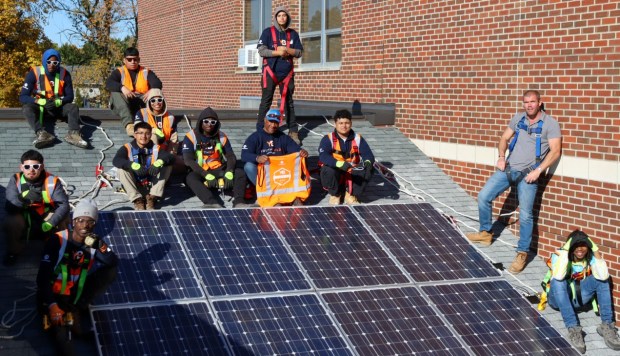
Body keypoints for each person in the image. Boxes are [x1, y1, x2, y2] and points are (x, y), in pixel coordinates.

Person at [466, 90, 562, 274]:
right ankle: (486, 233)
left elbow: (555, 151)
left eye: (533, 102)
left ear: (540, 103)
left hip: (529, 175)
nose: (529, 105)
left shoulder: (550, 124)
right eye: (526, 102)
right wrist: (501, 156)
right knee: (483, 196)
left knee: (526, 215)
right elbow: (504, 138)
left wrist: (538, 171)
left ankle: (522, 253)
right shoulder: (518, 118)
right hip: (509, 169)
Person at [36, 198, 118, 356]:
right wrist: (52, 305)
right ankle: (63, 319)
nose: (85, 226)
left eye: (90, 222)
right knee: (62, 339)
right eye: (81, 220)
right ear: (74, 222)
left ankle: (77, 309)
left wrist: (100, 245)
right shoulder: (58, 240)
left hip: (74, 295)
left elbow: (112, 262)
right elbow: (42, 278)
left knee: (110, 272)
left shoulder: (93, 242)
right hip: (53, 296)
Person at [545, 230, 620, 354]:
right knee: (557, 281)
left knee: (602, 279)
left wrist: (595, 249)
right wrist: (566, 250)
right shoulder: (559, 255)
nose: (580, 249)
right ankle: (574, 328)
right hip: (557, 299)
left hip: (578, 299)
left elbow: (603, 276)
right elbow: (558, 276)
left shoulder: (590, 257)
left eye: (583, 245)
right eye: (575, 245)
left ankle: (607, 325)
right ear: (570, 246)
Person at [3, 150, 70, 266]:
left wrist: (51, 222)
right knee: (10, 221)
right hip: (24, 216)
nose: (31, 170)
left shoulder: (52, 181)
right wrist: (22, 199)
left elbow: (64, 205)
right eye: (27, 166)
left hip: (46, 216)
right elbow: (9, 207)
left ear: (42, 167)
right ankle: (14, 251)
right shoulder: (15, 179)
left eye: (36, 166)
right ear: (21, 167)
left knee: (63, 219)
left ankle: (56, 250)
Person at [19, 48, 88, 149]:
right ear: (44, 61)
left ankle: (74, 134)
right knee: (26, 109)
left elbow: (70, 96)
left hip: (57, 107)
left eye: (55, 62)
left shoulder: (64, 74)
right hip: (41, 107)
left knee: (73, 107)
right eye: (49, 62)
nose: (52, 64)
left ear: (58, 63)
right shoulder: (34, 73)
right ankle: (42, 134)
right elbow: (23, 97)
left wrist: (59, 101)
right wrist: (38, 101)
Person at [181, 107, 247, 208]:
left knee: (240, 172)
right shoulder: (191, 136)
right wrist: (205, 174)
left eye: (213, 122)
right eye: (206, 121)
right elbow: (188, 160)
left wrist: (229, 171)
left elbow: (230, 156)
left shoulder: (221, 136)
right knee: (190, 178)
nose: (209, 124)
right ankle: (211, 202)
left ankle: (239, 202)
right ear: (200, 122)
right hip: (201, 170)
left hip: (219, 169)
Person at [242, 108, 309, 206]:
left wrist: (302, 152)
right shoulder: (255, 137)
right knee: (248, 166)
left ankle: (294, 196)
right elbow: (244, 155)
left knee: (300, 160)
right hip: (264, 177)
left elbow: (297, 151)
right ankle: (266, 195)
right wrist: (257, 158)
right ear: (265, 120)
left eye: (276, 123)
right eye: (270, 121)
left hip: (281, 175)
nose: (273, 125)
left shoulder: (283, 138)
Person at [256, 6, 303, 145]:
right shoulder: (267, 33)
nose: (282, 18)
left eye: (284, 15)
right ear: (276, 18)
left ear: (287, 18)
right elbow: (261, 51)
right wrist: (277, 52)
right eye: (279, 15)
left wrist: (287, 50)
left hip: (287, 74)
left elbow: (299, 52)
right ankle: (260, 129)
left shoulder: (293, 34)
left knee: (289, 102)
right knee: (266, 101)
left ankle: (293, 131)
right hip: (270, 72)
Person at [112, 121, 175, 210]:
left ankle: (152, 198)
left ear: (150, 135)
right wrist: (132, 165)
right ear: (135, 135)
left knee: (168, 165)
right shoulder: (127, 148)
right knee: (121, 170)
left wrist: (159, 162)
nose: (144, 136)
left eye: (147, 133)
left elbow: (171, 157)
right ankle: (137, 200)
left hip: (152, 183)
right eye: (140, 133)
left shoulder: (156, 148)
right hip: (135, 184)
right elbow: (116, 160)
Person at [318, 109, 375, 205]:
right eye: (340, 123)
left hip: (352, 170)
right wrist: (338, 163)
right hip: (336, 170)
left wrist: (368, 163)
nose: (344, 126)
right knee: (327, 170)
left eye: (347, 123)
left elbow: (368, 154)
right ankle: (335, 195)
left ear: (351, 123)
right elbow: (323, 156)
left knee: (368, 168)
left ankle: (351, 194)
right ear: (335, 123)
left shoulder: (358, 138)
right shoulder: (328, 139)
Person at [106, 47, 163, 136]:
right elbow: (109, 83)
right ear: (124, 60)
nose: (133, 62)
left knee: (156, 91)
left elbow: (158, 83)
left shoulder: (146, 72)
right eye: (129, 59)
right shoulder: (119, 72)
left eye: (135, 59)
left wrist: (152, 90)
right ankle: (129, 126)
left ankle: (157, 121)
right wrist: (122, 87)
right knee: (115, 92)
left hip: (141, 103)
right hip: (123, 104)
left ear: (139, 59)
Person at [133, 89, 184, 172]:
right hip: (145, 151)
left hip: (164, 152)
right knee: (152, 136)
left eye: (160, 100)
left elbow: (174, 140)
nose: (157, 103)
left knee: (184, 165)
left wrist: (169, 156)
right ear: (149, 102)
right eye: (153, 100)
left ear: (163, 101)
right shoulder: (142, 113)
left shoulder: (170, 116)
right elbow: (137, 130)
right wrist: (153, 130)